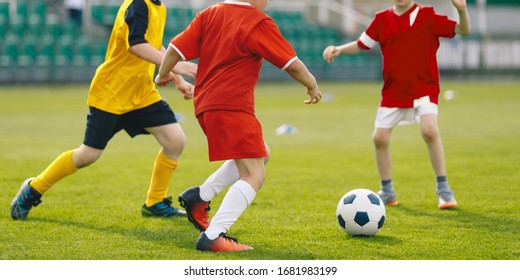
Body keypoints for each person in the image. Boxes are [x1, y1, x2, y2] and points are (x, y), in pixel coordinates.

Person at [155, 0, 322, 252]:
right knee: (254, 174)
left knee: (261, 153)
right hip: (231, 107)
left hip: (206, 105)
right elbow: (292, 64)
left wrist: (162, 74)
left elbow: (174, 49)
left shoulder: (208, 14)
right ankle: (213, 236)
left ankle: (200, 196)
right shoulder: (257, 21)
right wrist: (312, 84)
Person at [11, 0, 198, 221]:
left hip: (141, 93)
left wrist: (177, 80)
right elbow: (136, 44)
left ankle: (155, 202)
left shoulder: (159, 7)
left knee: (175, 140)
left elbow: (154, 45)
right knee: (88, 155)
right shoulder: (138, 4)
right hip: (112, 93)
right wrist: (177, 66)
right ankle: (33, 188)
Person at [323, 0, 470, 209]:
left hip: (424, 88)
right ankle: (387, 191)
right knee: (379, 138)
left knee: (429, 131)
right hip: (394, 92)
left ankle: (444, 190)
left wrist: (462, 10)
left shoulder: (427, 16)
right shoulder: (382, 19)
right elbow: (362, 44)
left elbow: (463, 30)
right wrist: (339, 49)